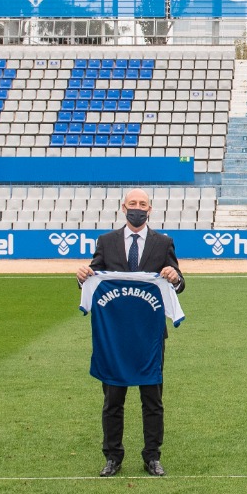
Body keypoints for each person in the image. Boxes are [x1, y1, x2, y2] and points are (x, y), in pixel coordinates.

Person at [75, 188, 185, 477]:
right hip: (114, 336)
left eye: (143, 204)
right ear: (123, 207)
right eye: (132, 203)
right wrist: (83, 275)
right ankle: (112, 456)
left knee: (152, 398)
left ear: (150, 209)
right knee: (113, 399)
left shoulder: (163, 243)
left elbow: (178, 281)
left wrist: (175, 278)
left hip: (149, 336)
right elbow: (94, 277)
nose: (137, 208)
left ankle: (152, 456)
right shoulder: (106, 242)